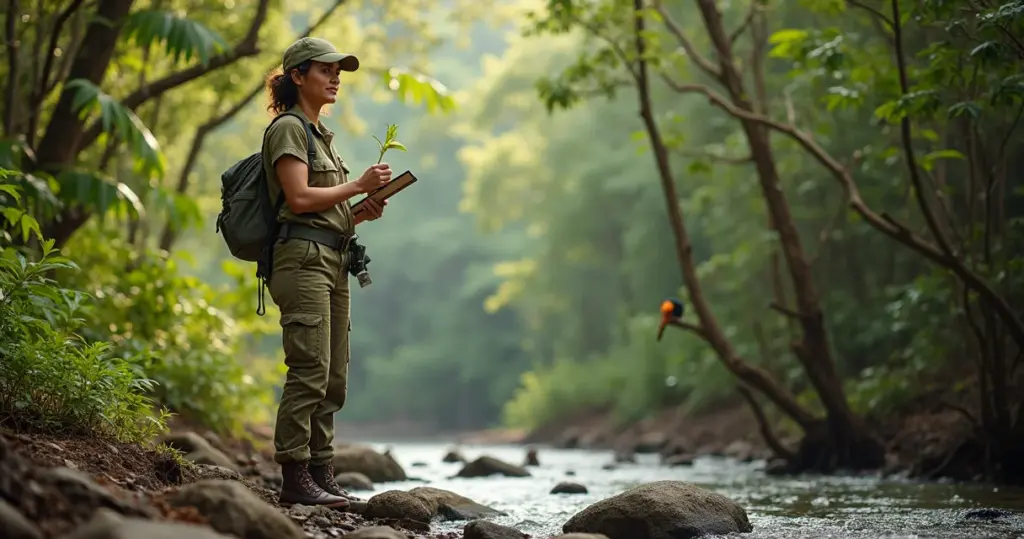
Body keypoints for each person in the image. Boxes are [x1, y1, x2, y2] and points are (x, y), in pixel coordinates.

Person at [261, 36, 390, 508]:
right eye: (326, 69)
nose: (336, 78)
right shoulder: (289, 129)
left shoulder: (321, 137)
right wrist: (357, 184)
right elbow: (297, 199)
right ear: (298, 76)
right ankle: (295, 477)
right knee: (310, 369)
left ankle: (321, 471)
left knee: (334, 375)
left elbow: (319, 212)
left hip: (332, 261)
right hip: (302, 263)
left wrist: (359, 211)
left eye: (339, 71)